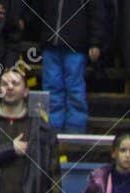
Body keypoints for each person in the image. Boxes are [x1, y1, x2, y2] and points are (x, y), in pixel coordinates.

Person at [29, 0, 109, 131]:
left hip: (76, 46)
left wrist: (96, 42)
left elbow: (97, 13)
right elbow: (37, 8)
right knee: (51, 90)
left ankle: (75, 134)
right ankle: (51, 132)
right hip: (51, 45)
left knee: (75, 91)